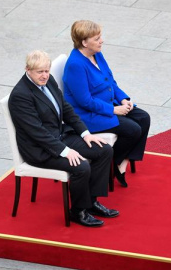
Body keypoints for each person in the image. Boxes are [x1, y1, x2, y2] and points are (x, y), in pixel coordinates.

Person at [8, 50, 118, 227]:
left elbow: (65, 108)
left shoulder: (48, 80)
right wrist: (65, 151)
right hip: (40, 149)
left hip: (60, 136)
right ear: (27, 70)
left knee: (104, 150)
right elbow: (37, 132)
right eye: (40, 72)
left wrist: (85, 133)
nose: (45, 76)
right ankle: (78, 211)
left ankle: (91, 202)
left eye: (47, 70)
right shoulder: (20, 96)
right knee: (81, 166)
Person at [63, 20, 151, 188]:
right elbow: (85, 101)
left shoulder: (97, 54)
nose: (101, 40)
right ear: (84, 42)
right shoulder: (76, 65)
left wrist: (124, 100)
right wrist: (114, 110)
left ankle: (120, 162)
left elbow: (111, 82)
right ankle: (112, 163)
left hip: (107, 105)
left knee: (143, 118)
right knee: (133, 129)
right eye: (97, 38)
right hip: (88, 116)